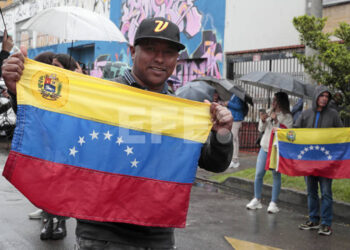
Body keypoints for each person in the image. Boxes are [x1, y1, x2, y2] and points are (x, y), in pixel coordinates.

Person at [2, 17, 233, 249]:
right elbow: (53, 131)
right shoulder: (101, 98)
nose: (160, 59)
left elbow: (214, 163)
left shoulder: (180, 111)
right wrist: (18, 94)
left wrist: (222, 135)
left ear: (176, 59)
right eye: (151, 49)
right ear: (133, 51)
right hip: (100, 236)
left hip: (157, 239)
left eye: (169, 52)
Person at [294, 85, 343, 236]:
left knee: (326, 192)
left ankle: (326, 223)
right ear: (316, 97)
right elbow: (295, 131)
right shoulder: (306, 114)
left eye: (327, 96)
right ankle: (313, 219)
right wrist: (281, 133)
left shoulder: (333, 114)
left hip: (326, 161)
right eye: (322, 95)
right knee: (311, 192)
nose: (324, 98)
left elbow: (341, 134)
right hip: (309, 160)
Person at [246, 92, 293, 213]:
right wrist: (262, 120)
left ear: (281, 101)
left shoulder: (287, 116)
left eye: (276, 100)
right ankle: (257, 199)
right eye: (273, 99)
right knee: (258, 174)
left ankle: (273, 203)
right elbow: (260, 129)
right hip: (265, 147)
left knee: (276, 175)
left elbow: (287, 133)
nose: (273, 102)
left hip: (276, 149)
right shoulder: (268, 111)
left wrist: (276, 120)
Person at [224, 94, 245, 168]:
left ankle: (234, 160)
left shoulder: (238, 96)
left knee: (233, 139)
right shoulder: (233, 95)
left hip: (236, 119)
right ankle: (234, 160)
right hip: (233, 118)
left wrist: (229, 103)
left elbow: (239, 106)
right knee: (235, 139)